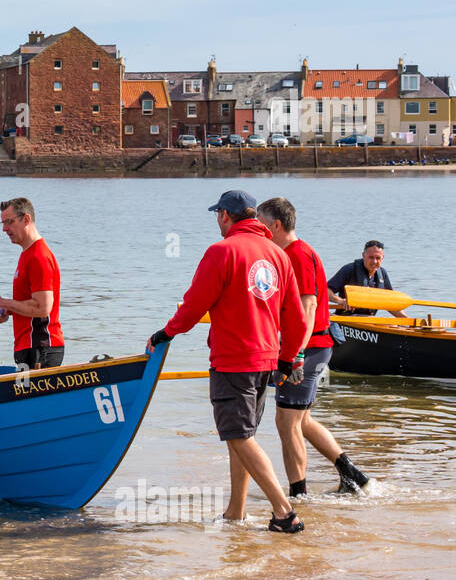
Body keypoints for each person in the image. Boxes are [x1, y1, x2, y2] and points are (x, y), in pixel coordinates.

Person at [145, 189, 309, 532]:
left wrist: (166, 333)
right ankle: (236, 511)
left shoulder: (221, 251)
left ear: (225, 215)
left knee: (237, 436)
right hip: (266, 360)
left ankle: (284, 512)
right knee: (242, 435)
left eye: (216, 215)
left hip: (234, 359)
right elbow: (296, 316)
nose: (216, 222)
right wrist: (288, 357)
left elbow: (194, 305)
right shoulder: (278, 255)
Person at [256, 197, 371, 496]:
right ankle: (352, 475)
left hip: (309, 347)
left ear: (276, 225)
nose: (257, 229)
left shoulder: (297, 254)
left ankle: (299, 495)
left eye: (260, 223)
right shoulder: (293, 253)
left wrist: (294, 354)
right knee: (301, 419)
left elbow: (308, 306)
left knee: (286, 421)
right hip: (313, 346)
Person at [0, 197, 64, 369]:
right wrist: (7, 310)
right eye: (3, 223)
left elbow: (42, 308)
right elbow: (31, 303)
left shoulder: (39, 257)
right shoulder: (27, 254)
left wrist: (2, 302)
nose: (5, 229)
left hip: (41, 348)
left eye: (9, 222)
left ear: (26, 219)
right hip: (30, 348)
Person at [327, 240, 407, 317]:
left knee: (393, 325)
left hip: (369, 320)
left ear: (383, 258)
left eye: (378, 258)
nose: (374, 261)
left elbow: (389, 303)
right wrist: (340, 301)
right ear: (363, 256)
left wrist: (407, 319)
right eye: (371, 257)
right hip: (346, 317)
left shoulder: (382, 274)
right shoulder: (349, 270)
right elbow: (326, 291)